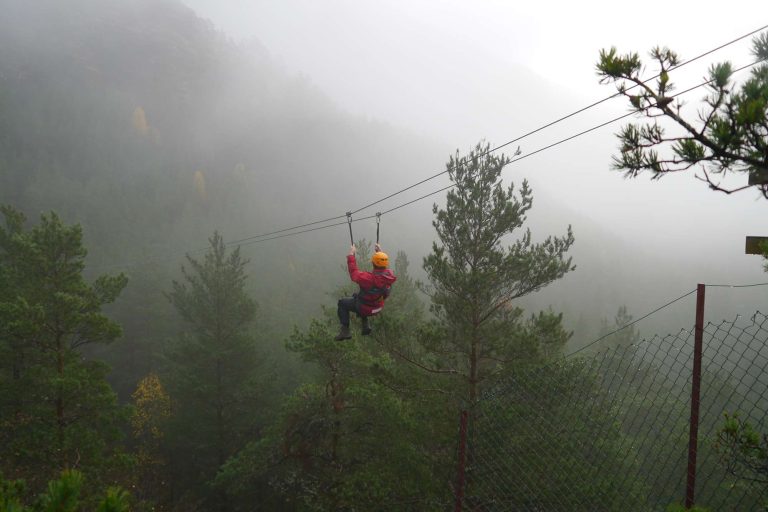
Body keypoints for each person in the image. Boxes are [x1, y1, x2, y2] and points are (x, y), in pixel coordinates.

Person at [335, 243, 397, 341]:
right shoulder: (389, 277)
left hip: (365, 307)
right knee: (360, 297)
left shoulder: (368, 279)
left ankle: (345, 331)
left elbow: (354, 274)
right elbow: (383, 270)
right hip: (378, 307)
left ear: (373, 263)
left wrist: (351, 255)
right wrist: (380, 253)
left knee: (342, 303)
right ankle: (365, 325)